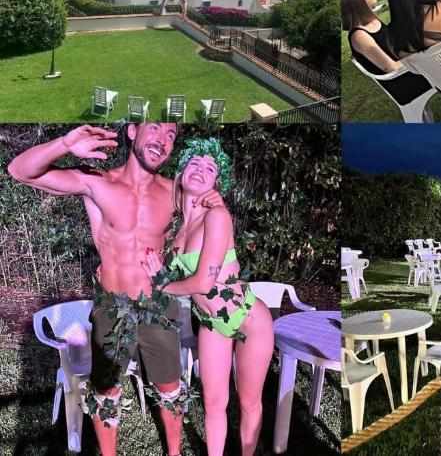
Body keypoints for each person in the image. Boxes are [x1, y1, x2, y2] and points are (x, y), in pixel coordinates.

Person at [7, 124, 217, 456]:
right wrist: (65, 143)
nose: (163, 140)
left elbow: (207, 219)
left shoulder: (174, 191)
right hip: (111, 306)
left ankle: (174, 453)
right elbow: (19, 170)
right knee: (106, 391)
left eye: (171, 134)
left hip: (158, 305)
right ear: (132, 131)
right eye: (155, 129)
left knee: (170, 388)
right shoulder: (97, 181)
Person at [143, 139, 274, 456]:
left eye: (210, 168)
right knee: (214, 403)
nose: (200, 170)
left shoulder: (217, 216)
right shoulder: (176, 228)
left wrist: (162, 286)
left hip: (249, 319)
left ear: (218, 182)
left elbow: (203, 282)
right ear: (182, 171)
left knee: (248, 400)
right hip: (212, 323)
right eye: (194, 163)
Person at [342, 0, 439, 117]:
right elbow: (390, 67)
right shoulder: (359, 35)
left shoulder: (373, 22)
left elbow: (397, 47)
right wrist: (423, 60)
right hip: (403, 83)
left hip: (409, 73)